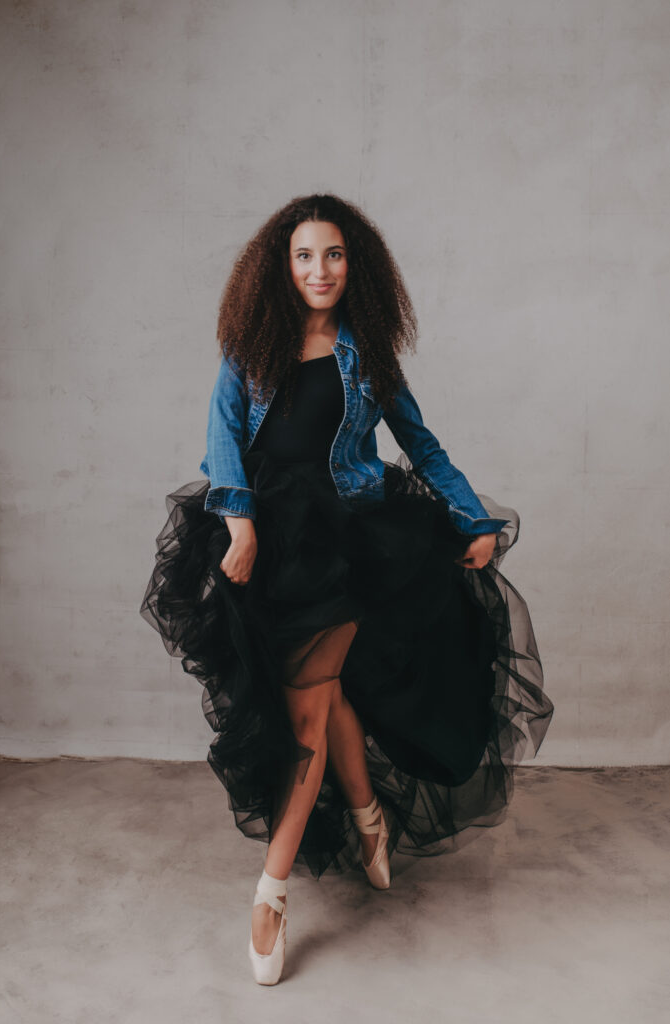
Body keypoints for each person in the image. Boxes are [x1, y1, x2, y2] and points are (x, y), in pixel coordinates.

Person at [140, 193, 554, 986]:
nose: (318, 270)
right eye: (303, 255)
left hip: (353, 544)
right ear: (281, 265)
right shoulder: (249, 346)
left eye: (332, 255)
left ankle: (271, 893)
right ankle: (366, 813)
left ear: (352, 264)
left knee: (306, 706)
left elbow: (420, 445)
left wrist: (474, 518)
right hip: (269, 541)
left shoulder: (367, 355)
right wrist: (238, 520)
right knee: (320, 696)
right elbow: (221, 434)